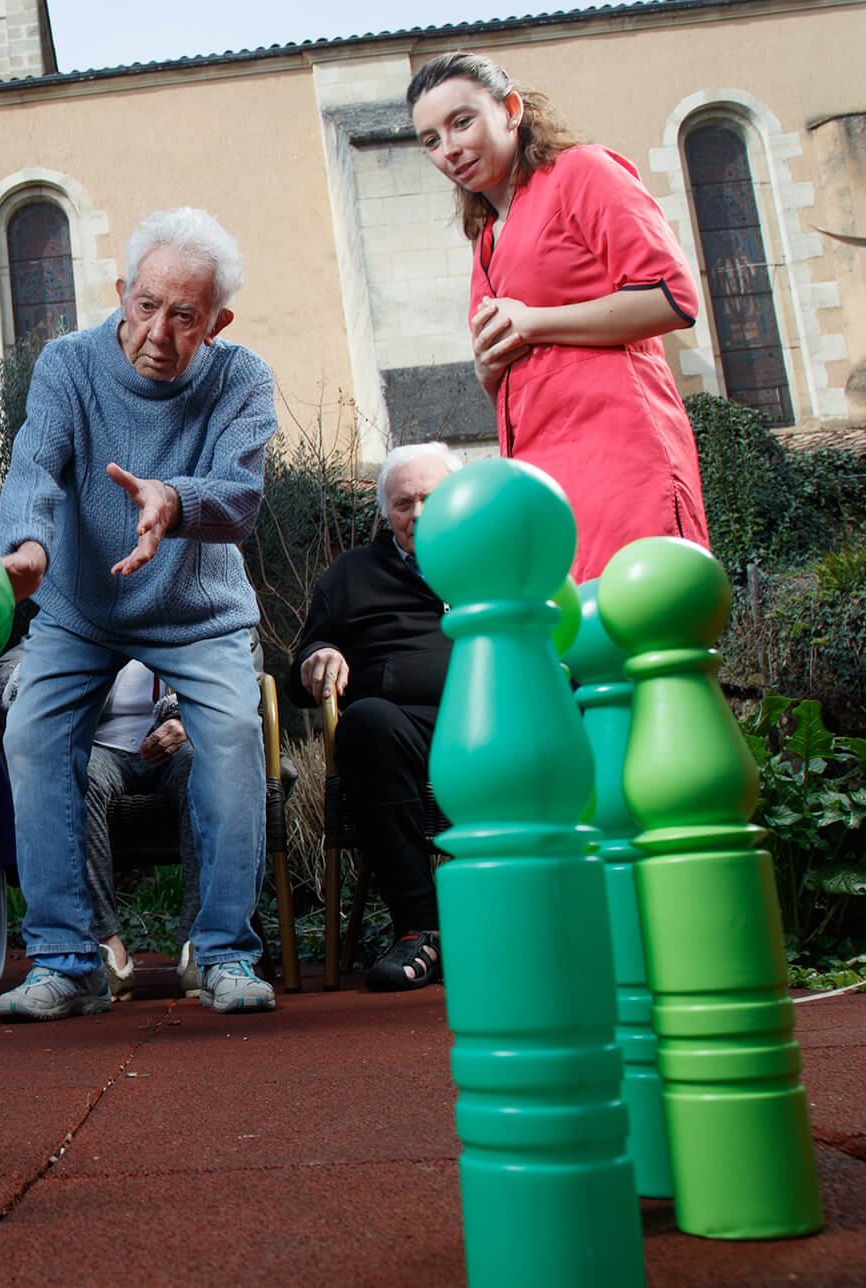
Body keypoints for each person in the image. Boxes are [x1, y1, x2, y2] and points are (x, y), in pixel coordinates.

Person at [0, 206, 275, 1022]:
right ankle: (68, 961)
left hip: (199, 610)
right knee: (32, 731)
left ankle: (224, 952)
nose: (158, 330)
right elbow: (36, 465)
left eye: (185, 316)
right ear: (121, 292)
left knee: (228, 739)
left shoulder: (242, 378)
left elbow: (241, 496)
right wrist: (30, 549)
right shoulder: (68, 366)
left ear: (215, 322)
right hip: (80, 607)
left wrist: (174, 499)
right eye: (146, 304)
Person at [407, 50, 708, 582]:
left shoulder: (581, 171)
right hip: (540, 483)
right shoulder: (485, 238)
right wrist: (488, 375)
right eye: (431, 140)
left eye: (462, 121)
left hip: (620, 454)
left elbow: (671, 296)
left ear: (512, 110)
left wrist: (536, 321)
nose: (449, 149)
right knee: (577, 655)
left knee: (642, 632)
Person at [288, 442, 461, 990]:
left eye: (431, 498)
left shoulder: (492, 554)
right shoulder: (353, 573)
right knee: (365, 722)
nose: (419, 514)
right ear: (385, 513)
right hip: (401, 732)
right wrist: (320, 657)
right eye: (404, 503)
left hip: (490, 718)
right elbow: (298, 674)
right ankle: (422, 929)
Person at [0, 647, 196, 1001]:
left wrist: (186, 720)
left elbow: (240, 668)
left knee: (205, 765)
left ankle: (202, 942)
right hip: (100, 745)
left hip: (182, 742)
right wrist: (50, 677)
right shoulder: (85, 609)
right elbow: (3, 674)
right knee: (73, 772)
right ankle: (104, 943)